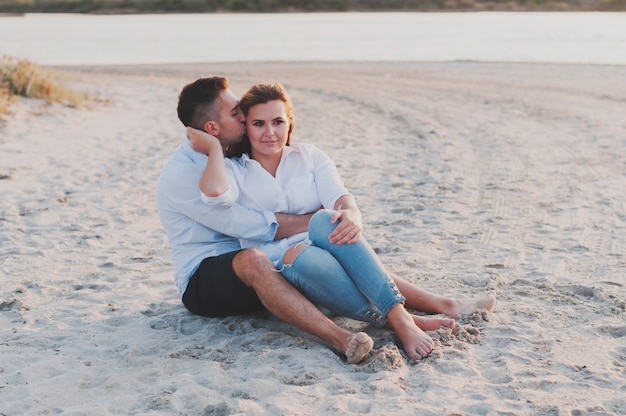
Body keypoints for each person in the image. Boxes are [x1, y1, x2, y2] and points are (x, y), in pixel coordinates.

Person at [187, 82, 496, 360]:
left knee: (328, 221)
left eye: (278, 121)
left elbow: (340, 196)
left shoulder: (310, 157)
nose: (270, 132)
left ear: (289, 122)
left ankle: (423, 313)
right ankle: (408, 319)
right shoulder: (236, 171)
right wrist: (214, 148)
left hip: (333, 245)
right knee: (308, 253)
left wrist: (352, 215)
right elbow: (214, 194)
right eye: (258, 123)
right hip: (287, 267)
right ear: (247, 129)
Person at [156, 76, 375, 364]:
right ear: (212, 128)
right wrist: (317, 220)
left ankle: (419, 308)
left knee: (331, 248)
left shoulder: (229, 156)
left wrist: (334, 223)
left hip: (256, 266)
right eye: (236, 113)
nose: (244, 115)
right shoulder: (183, 173)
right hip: (204, 278)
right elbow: (247, 225)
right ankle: (340, 337)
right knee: (255, 259)